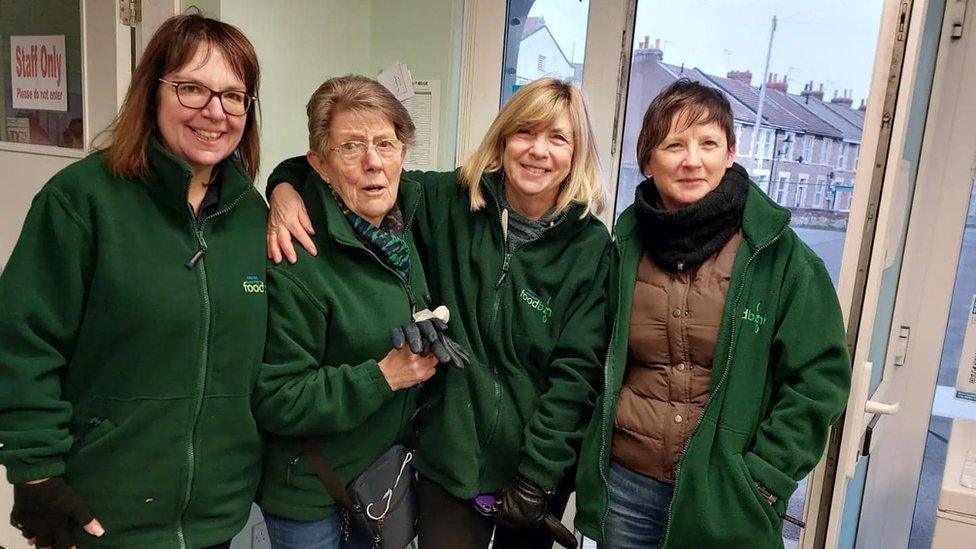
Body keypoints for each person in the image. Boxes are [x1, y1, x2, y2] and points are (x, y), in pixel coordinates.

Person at [266, 77, 611, 549]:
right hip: (448, 462)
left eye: (558, 138)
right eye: (525, 133)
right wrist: (283, 186)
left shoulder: (590, 246)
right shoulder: (450, 200)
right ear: (503, 139)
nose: (538, 151)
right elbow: (357, 173)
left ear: (577, 153)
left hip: (535, 469)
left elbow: (577, 373)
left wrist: (538, 476)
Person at [0, 15, 265, 548]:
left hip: (217, 513)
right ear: (152, 93)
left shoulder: (251, 215)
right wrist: (37, 475)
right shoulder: (82, 201)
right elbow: (23, 346)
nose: (215, 112)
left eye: (234, 96)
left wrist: (287, 186)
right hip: (103, 511)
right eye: (192, 89)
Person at [573, 78, 852, 548]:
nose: (692, 160)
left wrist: (764, 478)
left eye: (708, 143)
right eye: (674, 144)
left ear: (731, 153)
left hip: (727, 493)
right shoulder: (621, 251)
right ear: (647, 160)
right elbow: (588, 359)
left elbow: (818, 381)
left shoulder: (779, 257)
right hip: (628, 488)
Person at [250, 75, 441, 549]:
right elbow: (277, 397)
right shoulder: (297, 252)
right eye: (350, 147)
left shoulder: (410, 222)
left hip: (383, 478)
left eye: (385, 143)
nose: (373, 162)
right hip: (312, 495)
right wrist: (385, 376)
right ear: (320, 163)